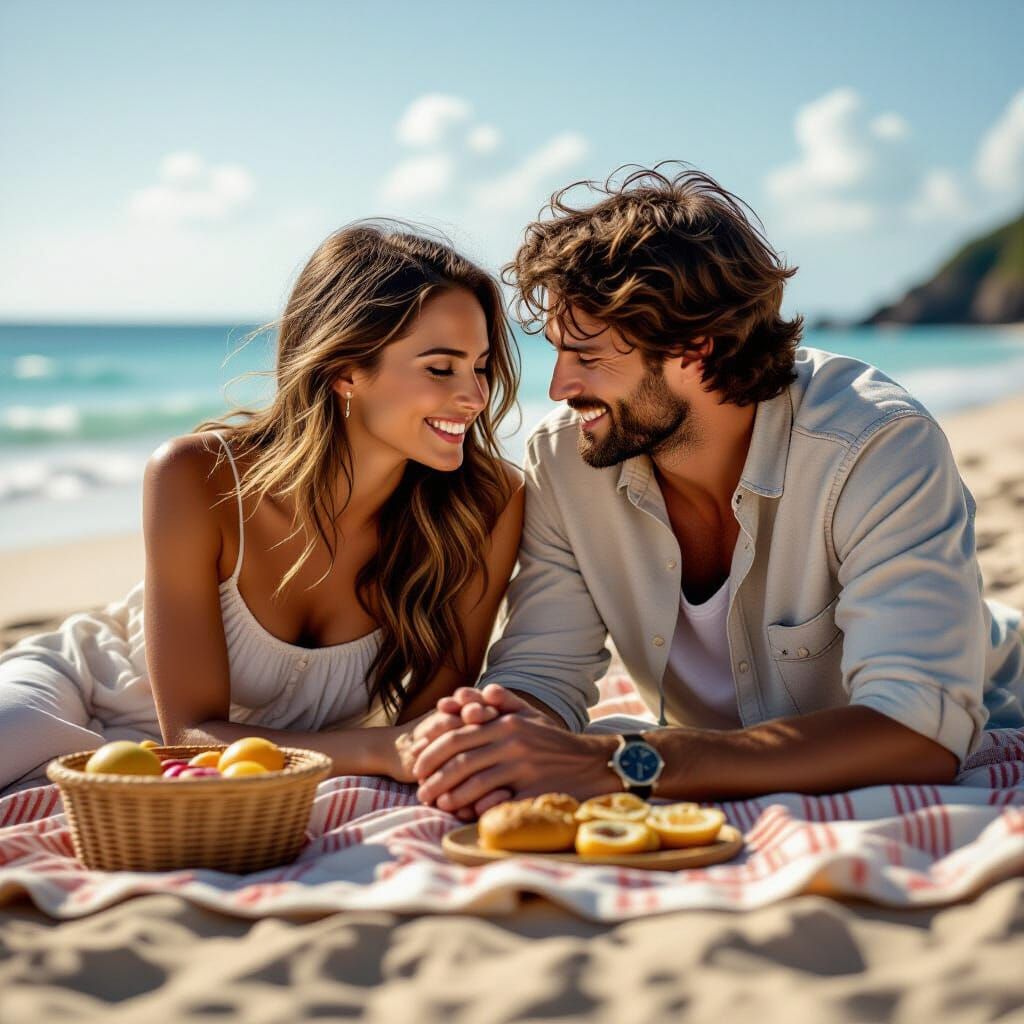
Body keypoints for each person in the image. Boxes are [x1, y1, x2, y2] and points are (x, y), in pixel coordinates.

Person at [406, 165, 1024, 819]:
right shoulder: (566, 460)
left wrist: (625, 765)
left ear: (694, 345)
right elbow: (543, 673)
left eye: (587, 357)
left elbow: (918, 734)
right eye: (556, 353)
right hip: (727, 757)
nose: (558, 389)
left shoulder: (874, 445)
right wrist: (499, 730)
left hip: (996, 704)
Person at [0, 223, 524, 794]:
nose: (475, 396)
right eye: (440, 368)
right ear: (345, 370)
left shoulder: (484, 506)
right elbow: (188, 734)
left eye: (479, 365)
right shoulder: (199, 477)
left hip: (265, 772)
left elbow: (428, 734)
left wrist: (407, 748)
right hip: (81, 699)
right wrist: (383, 748)